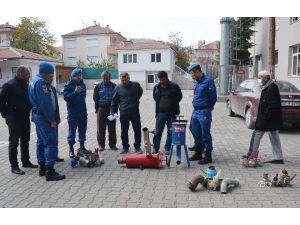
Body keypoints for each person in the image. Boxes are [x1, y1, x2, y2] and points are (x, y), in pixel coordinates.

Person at [28, 62, 65, 181]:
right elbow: (46, 104)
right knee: (50, 142)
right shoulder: (42, 83)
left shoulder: (33, 81)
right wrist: (52, 120)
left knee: (40, 141)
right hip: (44, 118)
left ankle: (42, 167)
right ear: (44, 73)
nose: (52, 76)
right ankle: (50, 171)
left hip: (37, 116)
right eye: (51, 74)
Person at [0, 66, 38, 175]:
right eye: (27, 74)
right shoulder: (9, 85)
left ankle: (25, 161)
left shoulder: (26, 85)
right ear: (20, 74)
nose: (29, 76)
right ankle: (14, 166)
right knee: (14, 142)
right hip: (14, 119)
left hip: (25, 117)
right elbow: (1, 102)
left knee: (25, 140)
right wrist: (6, 115)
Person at [243, 70, 284, 164]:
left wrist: (264, 117)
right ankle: (278, 158)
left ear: (265, 77)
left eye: (260, 77)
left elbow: (272, 105)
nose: (259, 79)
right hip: (270, 118)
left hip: (268, 118)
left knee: (257, 133)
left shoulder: (272, 87)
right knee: (274, 136)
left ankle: (252, 156)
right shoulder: (268, 86)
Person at [188, 63, 217, 164]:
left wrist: (209, 107)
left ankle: (208, 156)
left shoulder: (208, 81)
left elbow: (213, 97)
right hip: (195, 110)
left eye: (192, 73)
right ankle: (198, 153)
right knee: (195, 131)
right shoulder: (196, 82)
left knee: (205, 133)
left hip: (204, 111)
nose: (192, 75)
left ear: (197, 71)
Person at [111, 72, 143, 154]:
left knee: (137, 130)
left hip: (135, 112)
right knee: (124, 131)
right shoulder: (118, 88)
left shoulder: (136, 85)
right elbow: (114, 101)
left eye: (125, 80)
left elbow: (140, 93)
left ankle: (137, 147)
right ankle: (125, 147)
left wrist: (135, 101)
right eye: (122, 80)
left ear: (128, 78)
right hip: (124, 113)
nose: (124, 82)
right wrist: (113, 111)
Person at [152, 71, 182, 154]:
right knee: (157, 131)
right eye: (160, 80)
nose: (161, 81)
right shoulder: (156, 87)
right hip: (160, 113)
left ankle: (168, 148)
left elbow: (179, 97)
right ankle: (155, 147)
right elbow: (155, 98)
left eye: (163, 79)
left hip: (171, 113)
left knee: (171, 131)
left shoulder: (174, 86)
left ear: (166, 78)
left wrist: (172, 105)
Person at [63, 68, 88, 158]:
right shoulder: (68, 85)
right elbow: (66, 98)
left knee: (82, 130)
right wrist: (75, 92)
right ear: (72, 76)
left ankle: (82, 147)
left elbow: (84, 97)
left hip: (83, 112)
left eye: (80, 75)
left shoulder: (83, 85)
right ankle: (71, 149)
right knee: (72, 132)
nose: (79, 77)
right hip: (73, 114)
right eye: (77, 75)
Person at [93, 71, 117, 151]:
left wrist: (114, 109)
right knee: (100, 128)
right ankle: (101, 145)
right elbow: (95, 97)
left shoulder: (114, 86)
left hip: (112, 110)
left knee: (112, 128)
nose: (105, 80)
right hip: (101, 109)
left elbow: (117, 98)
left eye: (107, 78)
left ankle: (112, 145)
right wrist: (97, 109)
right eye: (103, 78)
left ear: (110, 78)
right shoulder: (98, 86)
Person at [49, 85, 64, 162]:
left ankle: (54, 156)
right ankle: (48, 158)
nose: (51, 78)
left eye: (52, 76)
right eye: (50, 76)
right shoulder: (42, 87)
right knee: (48, 140)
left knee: (55, 138)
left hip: (54, 118)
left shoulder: (53, 88)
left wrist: (57, 118)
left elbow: (56, 104)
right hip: (47, 119)